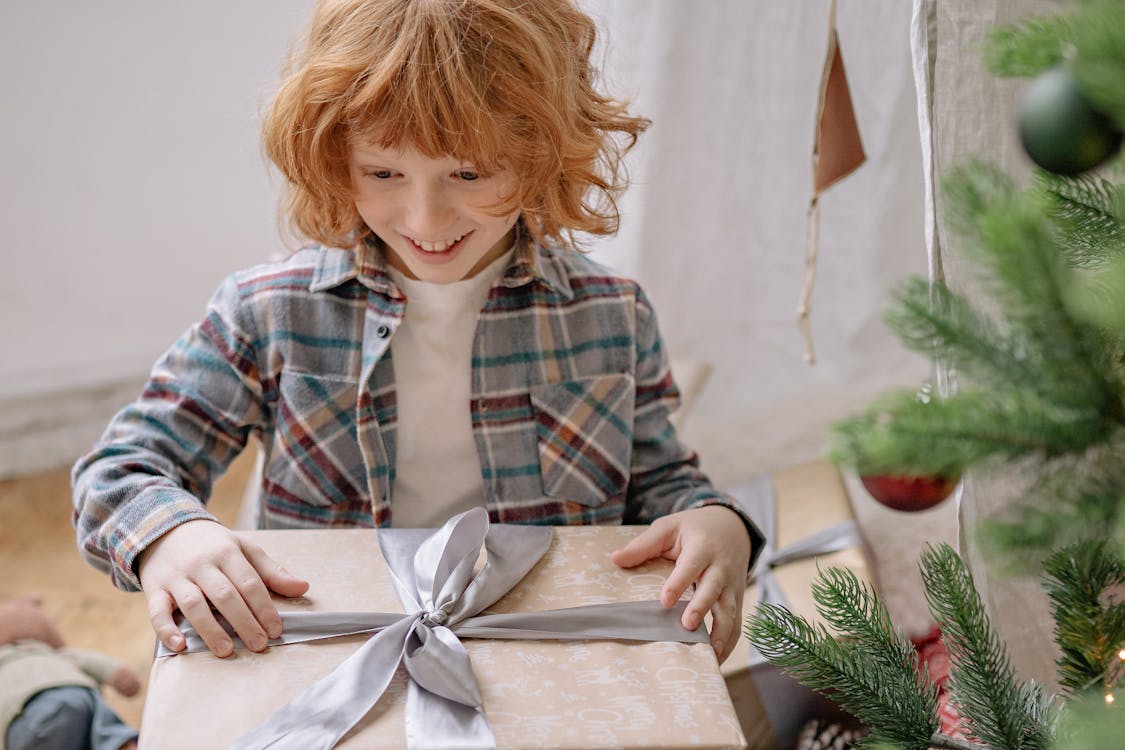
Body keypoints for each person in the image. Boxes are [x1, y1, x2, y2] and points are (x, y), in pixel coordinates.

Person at [72, 0, 763, 666]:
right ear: (333, 156)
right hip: (328, 649)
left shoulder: (612, 314)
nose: (426, 220)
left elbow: (661, 481)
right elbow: (120, 468)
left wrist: (716, 519)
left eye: (468, 172)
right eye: (384, 173)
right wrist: (170, 536)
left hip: (543, 652)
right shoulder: (268, 311)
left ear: (542, 152)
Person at [0, 595, 140, 750]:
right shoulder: (54, 654)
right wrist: (122, 676)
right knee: (101, 724)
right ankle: (120, 744)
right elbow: (103, 666)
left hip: (18, 732)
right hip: (66, 697)